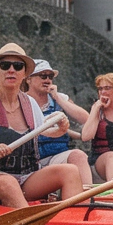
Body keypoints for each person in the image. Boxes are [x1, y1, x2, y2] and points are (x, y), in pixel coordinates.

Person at [0, 43, 80, 208]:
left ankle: (70, 221)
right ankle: (30, 222)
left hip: (27, 177)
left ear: (24, 74)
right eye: (5, 65)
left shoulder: (30, 104)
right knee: (9, 183)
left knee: (70, 171)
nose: (11, 70)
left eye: (18, 66)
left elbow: (40, 134)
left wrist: (60, 130)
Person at [26, 59, 91, 187]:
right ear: (28, 79)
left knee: (78, 155)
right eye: (43, 76)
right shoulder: (21, 100)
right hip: (30, 161)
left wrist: (58, 98)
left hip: (57, 156)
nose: (47, 80)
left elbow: (85, 118)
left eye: (50, 76)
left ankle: (88, 195)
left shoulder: (59, 97)